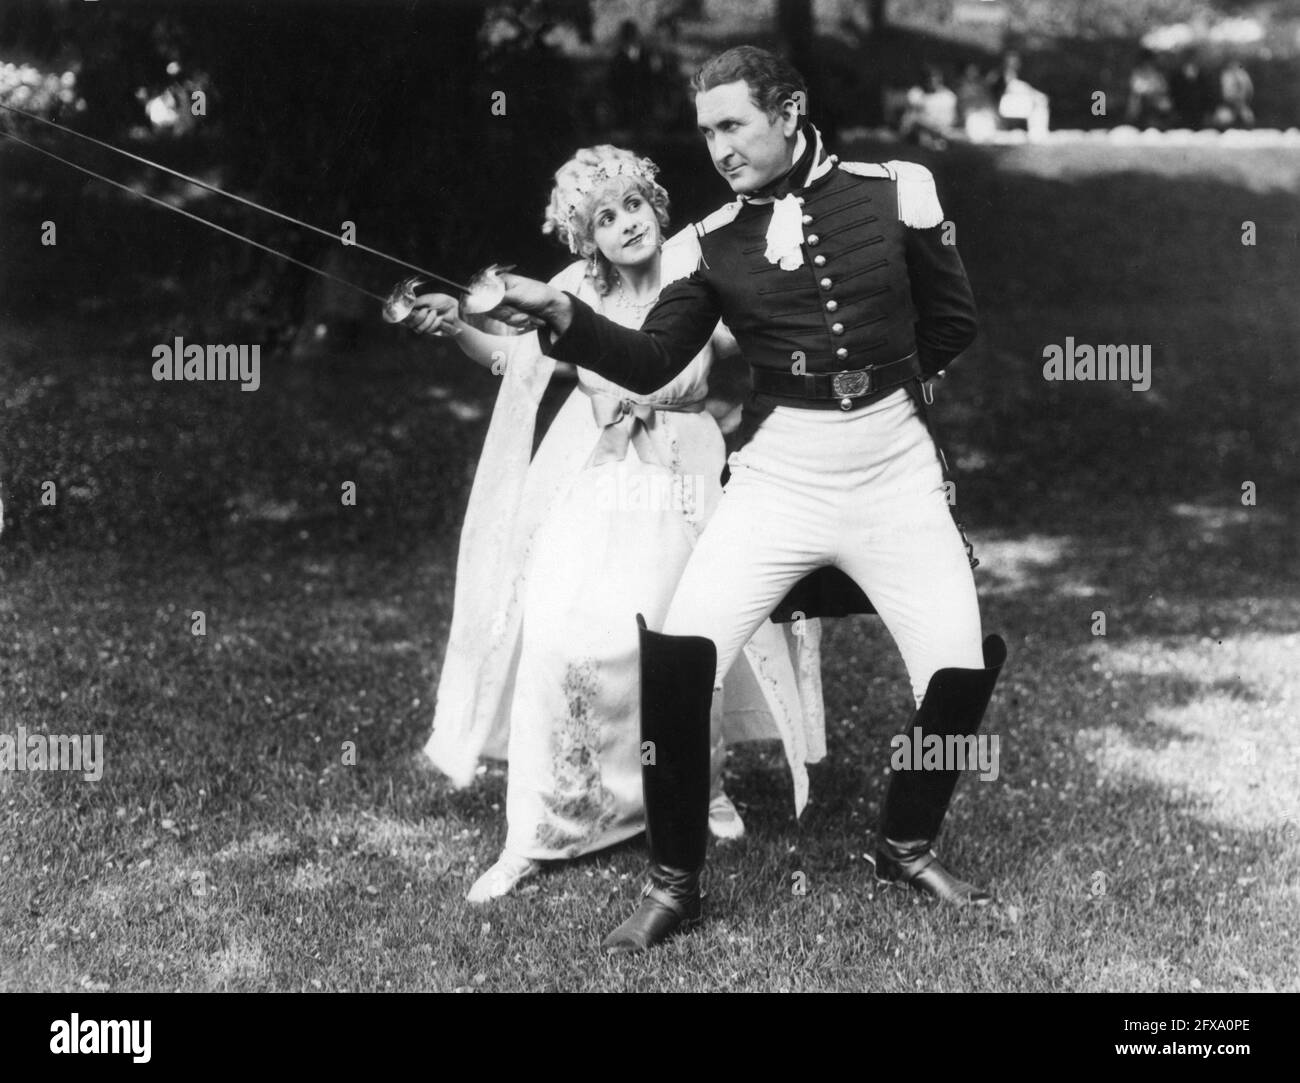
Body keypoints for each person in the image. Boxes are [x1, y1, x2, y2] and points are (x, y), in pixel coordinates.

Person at [454, 44, 1008, 953]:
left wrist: (890, 391)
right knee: (680, 654)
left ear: (788, 111)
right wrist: (562, 317)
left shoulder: (899, 187)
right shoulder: (709, 245)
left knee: (957, 665)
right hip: (778, 476)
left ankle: (905, 842)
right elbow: (647, 360)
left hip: (897, 471)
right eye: (706, 130)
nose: (716, 147)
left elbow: (955, 321)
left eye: (732, 125)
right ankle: (674, 880)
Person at [412, 145, 827, 903]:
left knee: (684, 636)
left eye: (633, 205)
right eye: (604, 218)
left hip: (683, 468)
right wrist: (457, 330)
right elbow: (518, 362)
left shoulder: (695, 278)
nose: (625, 224)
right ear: (583, 238)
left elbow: (757, 352)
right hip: (597, 469)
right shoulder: (573, 288)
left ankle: (698, 790)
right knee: (558, 629)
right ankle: (540, 828)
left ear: (655, 206)